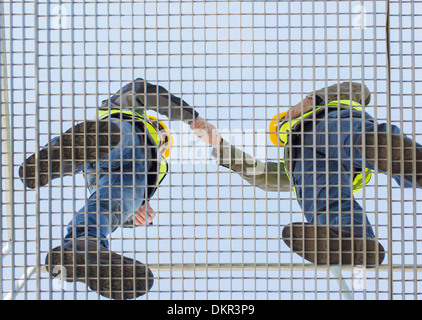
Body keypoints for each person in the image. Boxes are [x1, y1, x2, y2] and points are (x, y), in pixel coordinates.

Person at [19, 78, 219, 299]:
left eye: (164, 142)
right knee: (110, 143)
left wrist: (133, 216)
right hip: (125, 135)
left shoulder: (159, 168)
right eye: (161, 135)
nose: (161, 141)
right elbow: (142, 90)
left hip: (123, 175)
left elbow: (110, 204)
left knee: (108, 200)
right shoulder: (124, 111)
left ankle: (83, 248)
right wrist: (193, 118)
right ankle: (73, 149)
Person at [210, 82, 422, 267]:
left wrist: (314, 99)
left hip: (324, 123)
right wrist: (221, 149)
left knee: (355, 139)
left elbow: (359, 90)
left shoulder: (318, 107)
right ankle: (351, 238)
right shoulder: (288, 158)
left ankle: (406, 159)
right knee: (325, 201)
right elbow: (262, 175)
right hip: (308, 160)